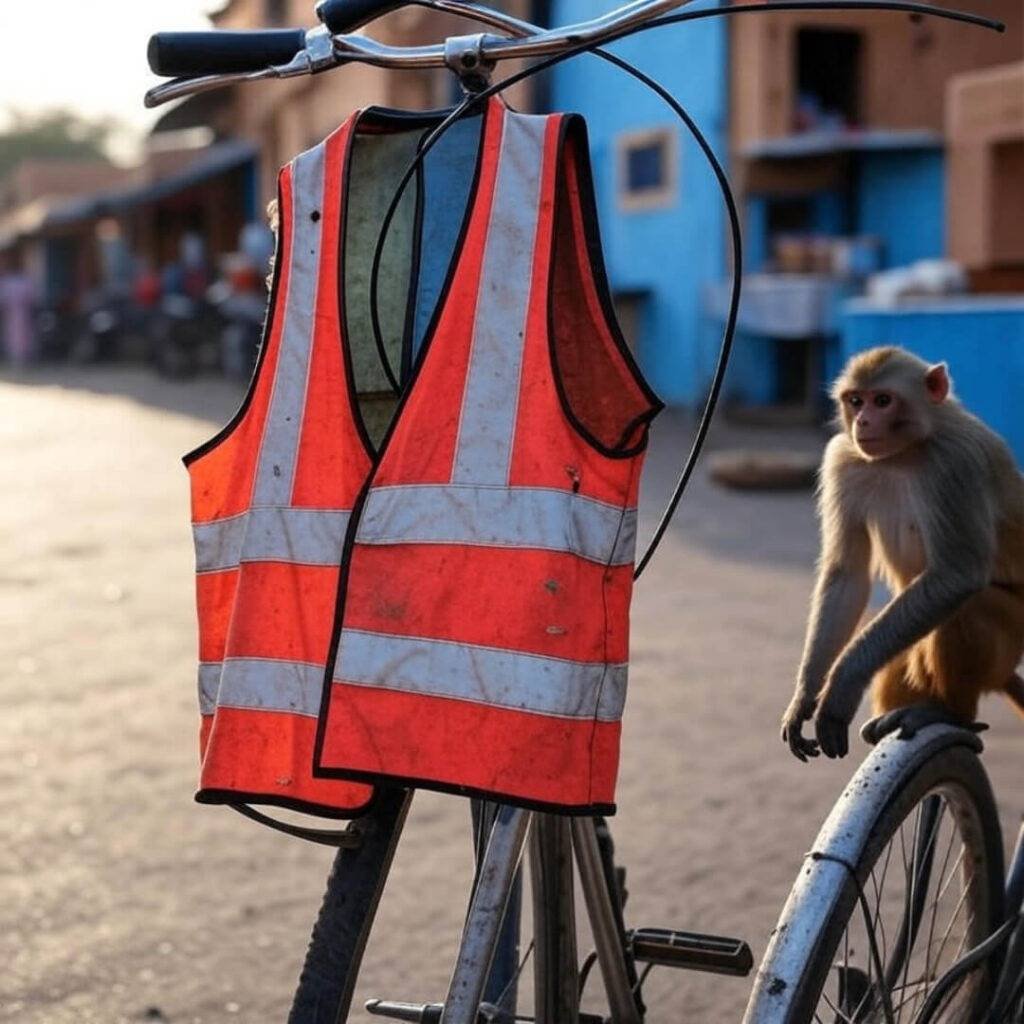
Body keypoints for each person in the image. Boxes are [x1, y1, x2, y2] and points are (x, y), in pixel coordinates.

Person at [0, 251, 37, 367]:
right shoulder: (9, 281)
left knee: (21, 336)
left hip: (21, 314)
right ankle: (17, 359)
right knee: (14, 336)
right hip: (13, 314)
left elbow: (31, 297)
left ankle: (22, 359)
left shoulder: (19, 280)